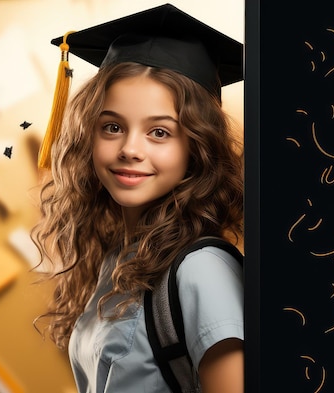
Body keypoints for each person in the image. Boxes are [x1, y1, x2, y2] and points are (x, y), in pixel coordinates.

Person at [32, 3, 244, 392]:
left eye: (159, 132)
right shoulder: (119, 257)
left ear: (197, 146)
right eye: (112, 126)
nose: (130, 149)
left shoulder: (203, 271)